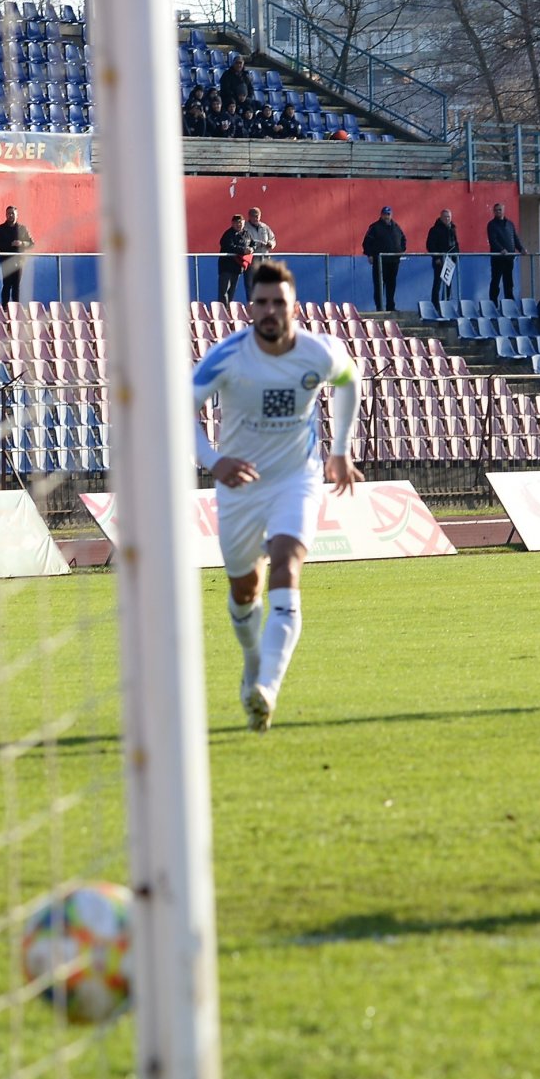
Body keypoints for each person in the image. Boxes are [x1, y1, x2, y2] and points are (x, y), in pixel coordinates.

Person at [191, 258, 364, 733]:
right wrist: (213, 461)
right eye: (262, 302)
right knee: (245, 591)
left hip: (297, 479)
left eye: (278, 303)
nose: (270, 310)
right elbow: (181, 407)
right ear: (251, 307)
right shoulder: (227, 356)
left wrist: (341, 449)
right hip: (240, 488)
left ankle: (267, 686)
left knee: (287, 565)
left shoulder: (318, 351)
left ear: (293, 306)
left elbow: (351, 380)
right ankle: (252, 661)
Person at [361, 205, 407, 311]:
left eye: (388, 214)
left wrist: (401, 251)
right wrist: (370, 255)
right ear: (381, 215)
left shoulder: (396, 227)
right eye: (385, 214)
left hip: (393, 261)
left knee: (391, 284)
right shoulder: (375, 227)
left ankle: (391, 306)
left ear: (391, 215)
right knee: (379, 285)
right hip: (380, 261)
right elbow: (366, 243)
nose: (387, 216)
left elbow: (403, 239)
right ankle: (380, 307)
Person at [0, 205, 34, 306]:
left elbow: (31, 244)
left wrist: (21, 243)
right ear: (6, 215)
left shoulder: (22, 229)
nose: (10, 215)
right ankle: (4, 308)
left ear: (17, 215)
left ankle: (16, 308)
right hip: (5, 261)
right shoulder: (0, 229)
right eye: (8, 213)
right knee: (6, 285)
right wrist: (10, 244)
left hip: (19, 261)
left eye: (13, 213)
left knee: (16, 286)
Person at [486, 202, 525, 305]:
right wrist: (501, 249)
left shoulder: (510, 224)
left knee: (508, 282)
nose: (498, 212)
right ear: (493, 212)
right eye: (496, 210)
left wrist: (521, 249)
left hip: (509, 258)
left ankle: (510, 304)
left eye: (500, 210)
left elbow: (515, 238)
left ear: (503, 210)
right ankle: (493, 304)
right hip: (498, 259)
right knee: (496, 281)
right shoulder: (491, 225)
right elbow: (493, 240)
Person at [423, 207, 460, 311]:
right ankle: (435, 305)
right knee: (437, 283)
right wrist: (437, 257)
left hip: (450, 260)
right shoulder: (435, 230)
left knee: (448, 283)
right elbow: (430, 245)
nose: (447, 219)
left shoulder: (453, 229)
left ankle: (446, 304)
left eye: (449, 217)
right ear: (441, 217)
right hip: (439, 261)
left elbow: (455, 244)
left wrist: (456, 255)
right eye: (445, 217)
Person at [217, 214, 252, 304]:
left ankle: (229, 311)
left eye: (241, 223)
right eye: (237, 223)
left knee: (232, 291)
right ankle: (223, 310)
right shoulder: (228, 234)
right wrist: (243, 250)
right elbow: (229, 246)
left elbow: (253, 243)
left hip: (237, 267)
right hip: (227, 266)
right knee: (224, 291)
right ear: (232, 223)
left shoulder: (246, 233)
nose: (239, 225)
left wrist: (252, 249)